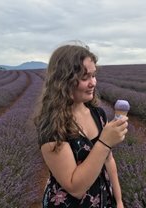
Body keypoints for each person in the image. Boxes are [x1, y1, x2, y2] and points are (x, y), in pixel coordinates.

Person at [34, 42, 128, 208]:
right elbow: (74, 187)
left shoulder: (97, 114)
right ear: (63, 81)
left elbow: (109, 160)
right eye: (85, 77)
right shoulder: (52, 126)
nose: (93, 82)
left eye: (93, 75)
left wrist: (119, 201)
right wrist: (105, 141)